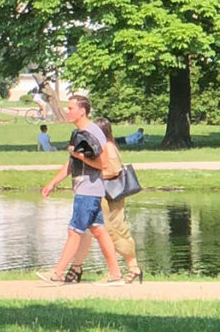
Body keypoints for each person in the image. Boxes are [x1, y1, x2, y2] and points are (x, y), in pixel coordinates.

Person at [38, 95, 123, 285]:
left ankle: (58, 272)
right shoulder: (80, 133)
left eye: (70, 108)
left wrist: (78, 155)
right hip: (87, 189)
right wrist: (53, 183)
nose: (67, 112)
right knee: (99, 231)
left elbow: (102, 163)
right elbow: (72, 163)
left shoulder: (91, 133)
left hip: (88, 190)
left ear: (82, 111)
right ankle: (115, 274)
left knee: (74, 231)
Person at [68, 117, 143, 284]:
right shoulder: (100, 146)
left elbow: (113, 170)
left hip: (110, 198)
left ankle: (131, 267)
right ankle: (75, 268)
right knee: (89, 230)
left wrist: (93, 172)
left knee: (113, 231)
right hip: (100, 195)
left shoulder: (108, 147)